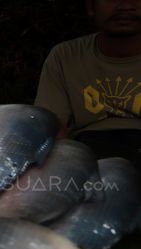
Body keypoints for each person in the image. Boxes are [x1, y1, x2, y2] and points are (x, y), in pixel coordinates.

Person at [35, 0, 140, 166]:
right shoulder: (65, 56)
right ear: (91, 7)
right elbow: (53, 128)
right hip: (86, 153)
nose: (125, 5)